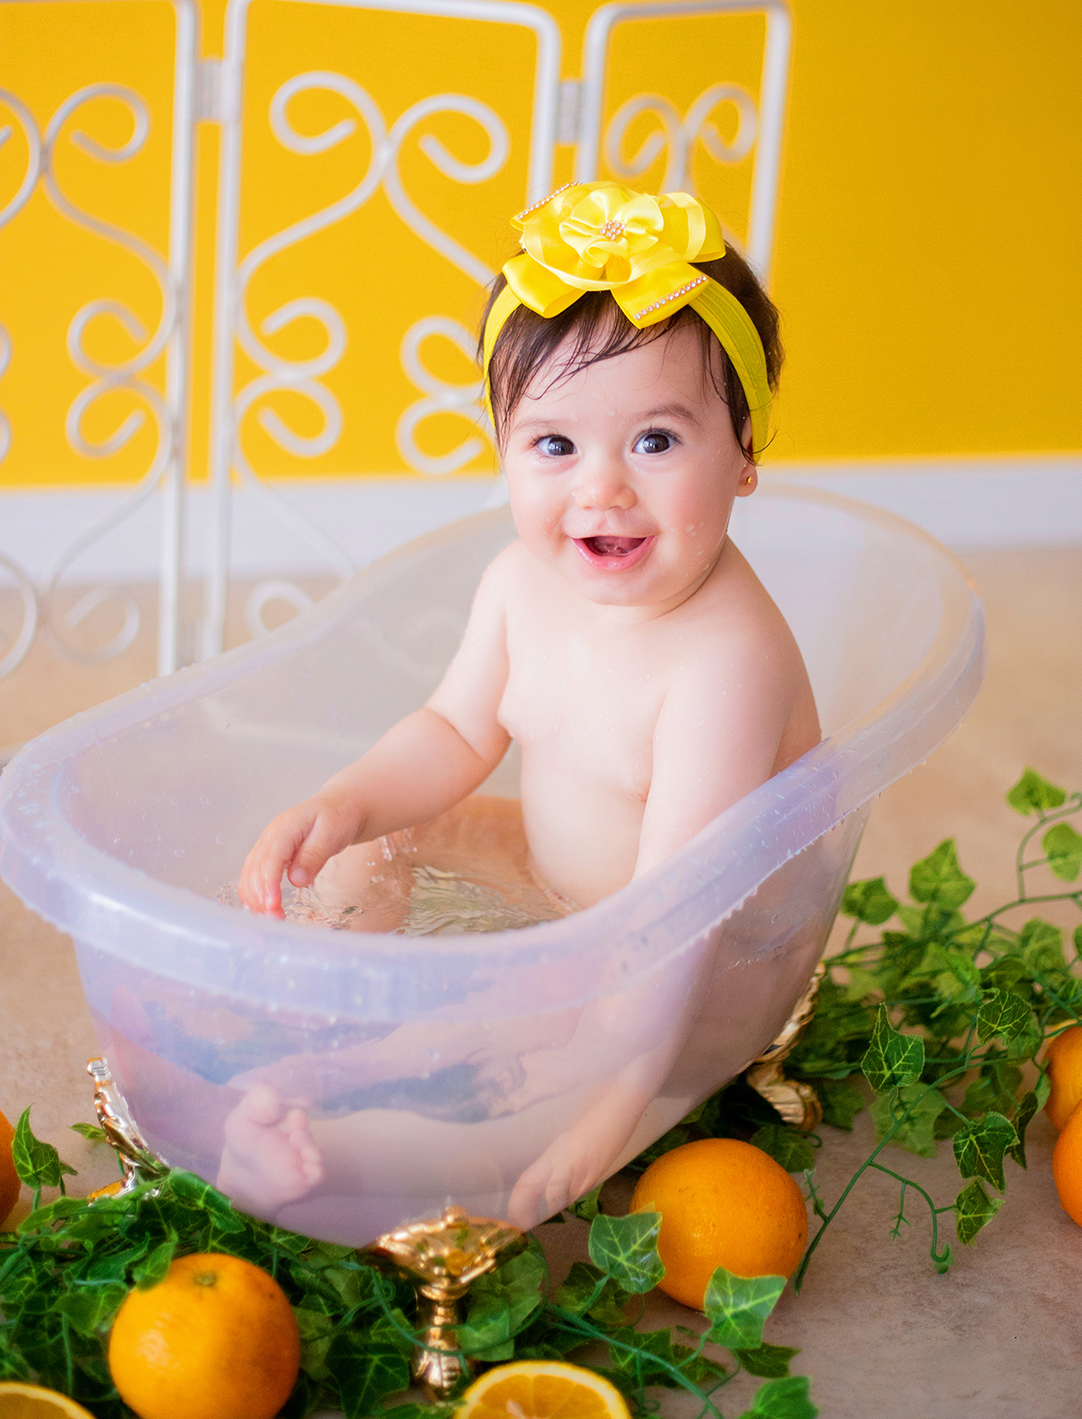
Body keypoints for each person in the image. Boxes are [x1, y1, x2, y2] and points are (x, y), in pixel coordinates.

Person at [228, 179, 821, 1225]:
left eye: (656, 441)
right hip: (556, 879)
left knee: (497, 1026)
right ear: (503, 445)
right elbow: (456, 731)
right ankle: (333, 1021)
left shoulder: (728, 662)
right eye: (555, 445)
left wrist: (613, 1107)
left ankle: (339, 1096)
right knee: (377, 841)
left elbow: (676, 914)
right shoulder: (518, 581)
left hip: (694, 953)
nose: (601, 489)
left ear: (746, 457)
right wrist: (349, 804)